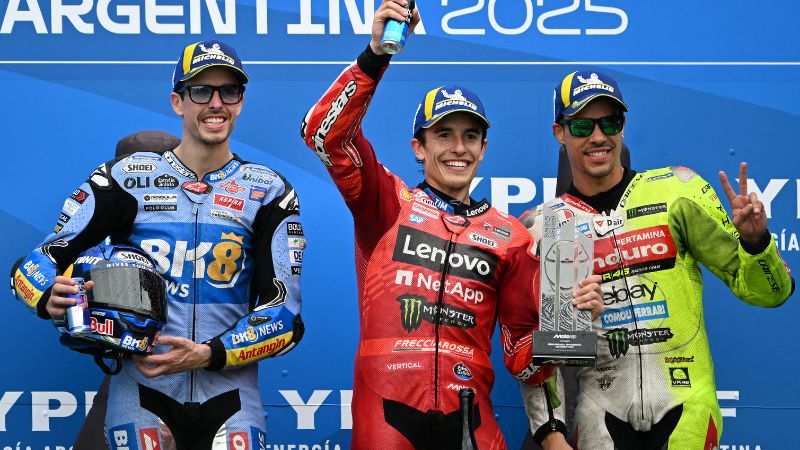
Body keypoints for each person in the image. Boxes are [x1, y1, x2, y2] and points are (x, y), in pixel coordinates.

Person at [300, 1, 603, 448]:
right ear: (418, 148)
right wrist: (375, 55)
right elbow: (324, 132)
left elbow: (522, 358)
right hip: (387, 418)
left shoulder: (511, 237)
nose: (457, 148)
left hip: (471, 420)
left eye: (470, 136)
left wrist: (576, 326)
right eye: (443, 134)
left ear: (483, 148)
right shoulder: (385, 205)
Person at [10, 41, 305, 449]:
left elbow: (285, 317)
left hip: (232, 396)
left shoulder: (267, 189)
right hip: (143, 393)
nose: (215, 103)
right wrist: (46, 293)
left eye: (229, 92)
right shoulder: (125, 177)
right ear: (177, 102)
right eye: (201, 91)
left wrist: (206, 354)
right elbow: (38, 262)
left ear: (240, 103)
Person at [519, 70, 794, 449]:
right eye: (582, 125)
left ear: (623, 126)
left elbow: (771, 294)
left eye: (609, 122)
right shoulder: (552, 224)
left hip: (686, 406)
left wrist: (755, 242)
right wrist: (551, 435)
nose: (598, 137)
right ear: (559, 132)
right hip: (601, 412)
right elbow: (550, 356)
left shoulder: (676, 193)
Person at [72, 130, 180, 450]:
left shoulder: (212, 227)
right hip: (127, 373)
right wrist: (59, 298)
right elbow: (40, 270)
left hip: (190, 378)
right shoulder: (100, 223)